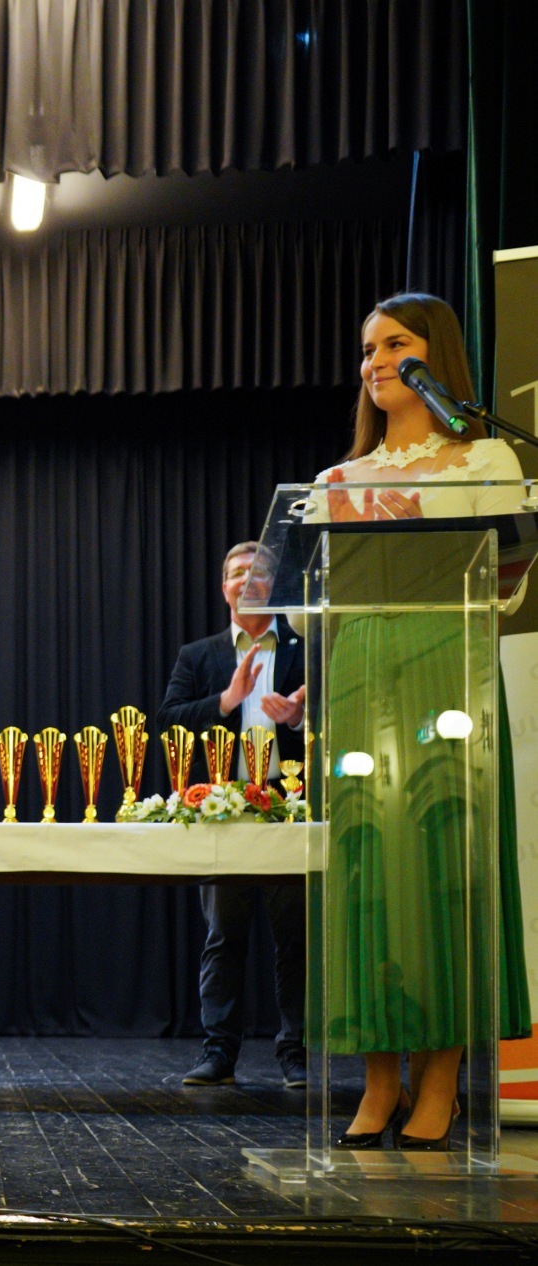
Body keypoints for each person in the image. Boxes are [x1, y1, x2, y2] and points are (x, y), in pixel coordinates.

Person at [308, 291, 531, 1150]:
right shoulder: (335, 483)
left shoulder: (485, 460)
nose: (374, 363)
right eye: (367, 349)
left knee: (445, 859)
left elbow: (508, 577)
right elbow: (312, 599)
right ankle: (377, 1079)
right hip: (361, 664)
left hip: (450, 661)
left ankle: (441, 1080)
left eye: (394, 345)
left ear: (436, 355)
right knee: (369, 864)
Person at [157, 542, 307, 1091]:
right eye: (236, 572)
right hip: (223, 810)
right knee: (224, 936)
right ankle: (218, 1053)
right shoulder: (199, 655)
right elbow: (167, 722)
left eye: (258, 571)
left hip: (289, 811)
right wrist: (225, 700)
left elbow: (343, 715)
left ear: (276, 585)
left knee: (295, 937)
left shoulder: (305, 649)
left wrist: (301, 715)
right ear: (224, 588)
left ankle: (296, 1053)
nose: (247, 579)